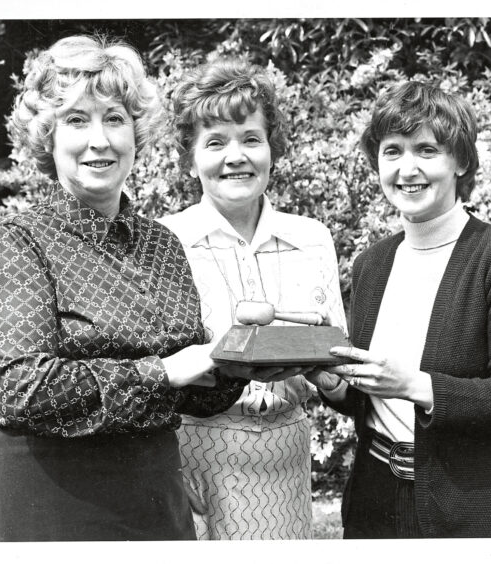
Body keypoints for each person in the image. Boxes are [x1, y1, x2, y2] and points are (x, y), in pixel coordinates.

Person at [0, 35, 247, 542]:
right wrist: (163, 372)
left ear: (136, 132)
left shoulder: (161, 244)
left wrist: (236, 363)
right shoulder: (17, 243)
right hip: (47, 501)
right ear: (47, 138)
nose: (100, 139)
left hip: (154, 500)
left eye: (114, 118)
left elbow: (191, 390)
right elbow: (20, 389)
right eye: (77, 120)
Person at [316, 81, 491, 538]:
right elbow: (374, 401)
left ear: (460, 161)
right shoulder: (372, 265)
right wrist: (334, 386)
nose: (408, 168)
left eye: (427, 150)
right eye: (392, 151)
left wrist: (416, 385)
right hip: (373, 504)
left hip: (467, 510)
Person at [157, 58, 347, 540]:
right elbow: (156, 370)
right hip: (193, 456)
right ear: (190, 157)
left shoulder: (312, 238)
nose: (235, 155)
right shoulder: (163, 242)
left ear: (271, 149)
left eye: (250, 138)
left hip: (286, 457)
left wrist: (329, 370)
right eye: (215, 142)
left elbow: (338, 374)